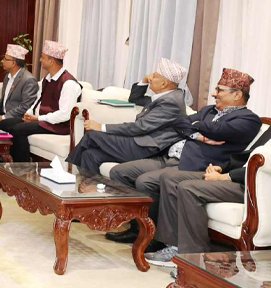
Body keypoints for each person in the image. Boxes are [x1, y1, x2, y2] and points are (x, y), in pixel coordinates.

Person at [108, 68, 262, 249]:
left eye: (219, 90)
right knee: (119, 172)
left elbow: (218, 130)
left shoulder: (248, 119)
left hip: (198, 165)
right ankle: (138, 230)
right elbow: (179, 122)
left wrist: (195, 124)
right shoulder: (209, 110)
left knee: (146, 181)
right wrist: (198, 135)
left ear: (237, 95)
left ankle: (154, 238)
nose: (214, 94)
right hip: (172, 155)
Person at [149, 125, 271, 267]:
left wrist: (226, 176)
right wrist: (222, 168)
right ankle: (174, 245)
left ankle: (194, 260)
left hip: (252, 187)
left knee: (188, 189)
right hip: (237, 176)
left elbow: (260, 165)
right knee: (169, 178)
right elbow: (247, 157)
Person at [67, 58, 188, 175]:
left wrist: (101, 127)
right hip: (138, 142)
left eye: (155, 76)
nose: (151, 77)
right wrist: (144, 81)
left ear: (164, 83)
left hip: (145, 148)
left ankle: (67, 175)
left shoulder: (170, 102)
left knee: (92, 136)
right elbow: (135, 98)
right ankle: (89, 187)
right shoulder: (166, 97)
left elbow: (141, 127)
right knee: (89, 155)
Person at [0, 41, 81, 162]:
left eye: (43, 57)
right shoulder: (46, 79)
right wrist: (29, 113)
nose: (40, 60)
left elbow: (65, 114)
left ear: (51, 61)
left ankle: (22, 168)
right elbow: (37, 101)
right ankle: (5, 160)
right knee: (4, 124)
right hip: (41, 120)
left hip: (57, 125)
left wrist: (38, 118)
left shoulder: (69, 83)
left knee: (18, 130)